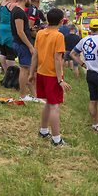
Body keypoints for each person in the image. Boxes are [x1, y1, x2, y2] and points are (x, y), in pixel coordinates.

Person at [29, 8, 72, 146]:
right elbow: (57, 59)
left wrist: (31, 73)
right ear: (61, 21)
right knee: (55, 107)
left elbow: (35, 54)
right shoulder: (58, 36)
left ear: (47, 20)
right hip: (52, 76)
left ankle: (43, 131)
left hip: (41, 73)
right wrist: (60, 80)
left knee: (48, 103)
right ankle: (56, 139)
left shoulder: (40, 33)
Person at [70, 18, 98, 134]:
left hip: (90, 73)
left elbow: (72, 53)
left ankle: (94, 123)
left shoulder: (84, 40)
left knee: (93, 100)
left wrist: (82, 64)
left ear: (89, 28)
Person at [11, 0, 39, 102]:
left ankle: (33, 95)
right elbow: (20, 31)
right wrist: (30, 46)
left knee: (27, 69)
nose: (30, 0)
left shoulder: (19, 10)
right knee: (24, 69)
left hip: (22, 43)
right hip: (22, 44)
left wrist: (31, 28)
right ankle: (23, 95)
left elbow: (23, 28)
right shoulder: (18, 11)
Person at [0, 0, 17, 74]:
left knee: (3, 51)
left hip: (0, 27)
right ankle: (11, 74)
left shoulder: (0, 4)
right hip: (9, 29)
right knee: (10, 52)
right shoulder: (12, 5)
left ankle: (5, 72)